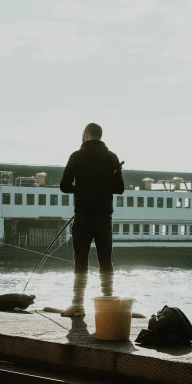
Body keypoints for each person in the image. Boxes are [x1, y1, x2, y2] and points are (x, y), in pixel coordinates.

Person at [59, 122, 124, 317]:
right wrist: (105, 182)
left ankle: (78, 305)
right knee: (105, 260)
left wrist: (80, 188)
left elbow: (64, 186)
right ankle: (108, 303)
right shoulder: (112, 157)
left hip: (83, 217)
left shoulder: (76, 156)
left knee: (81, 261)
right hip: (104, 217)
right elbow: (119, 189)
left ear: (86, 134)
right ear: (100, 136)